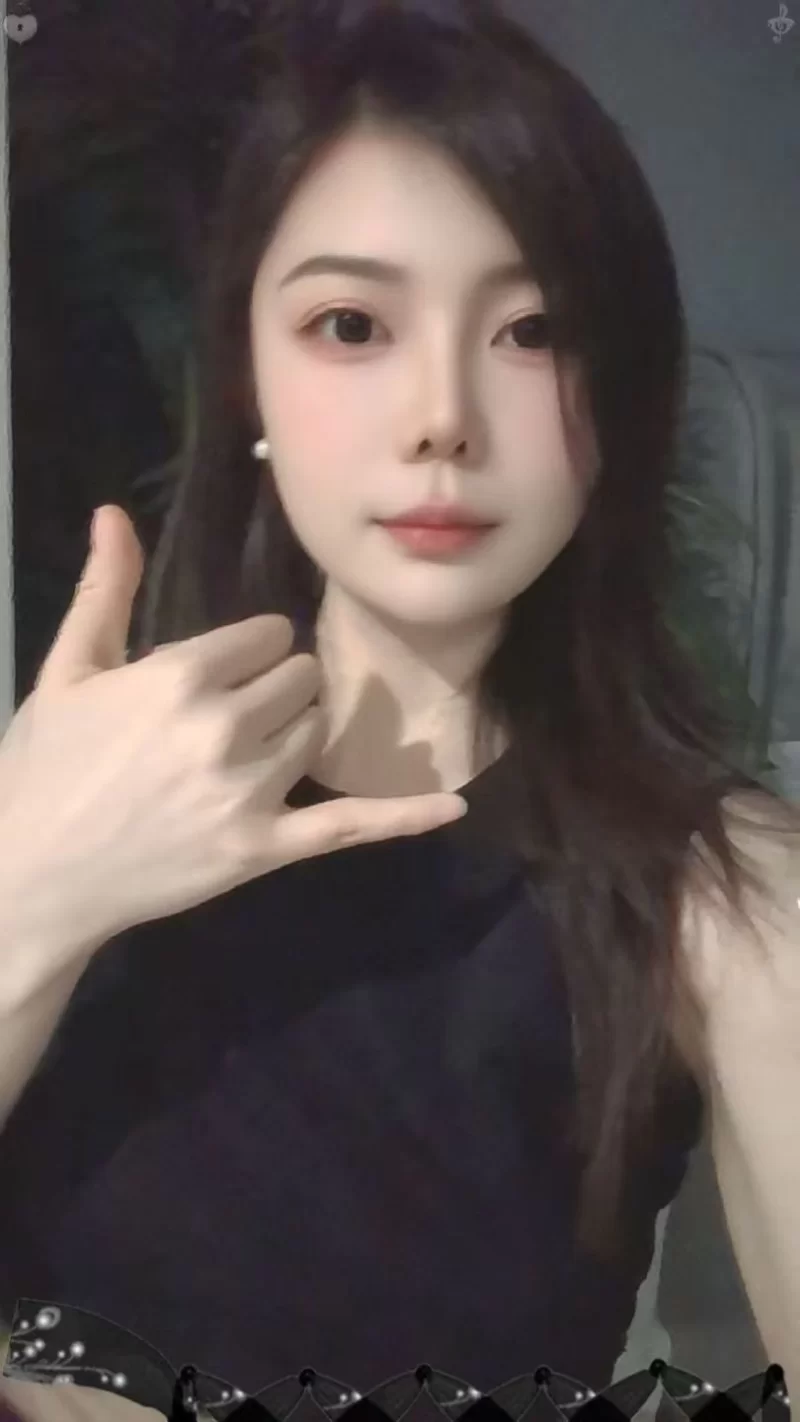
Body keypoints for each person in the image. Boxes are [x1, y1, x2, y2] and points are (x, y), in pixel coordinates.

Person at [0, 0, 798, 1412]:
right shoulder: (74, 780)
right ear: (247, 377)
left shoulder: (718, 895)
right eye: (352, 323)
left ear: (620, 401)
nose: (442, 416)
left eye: (535, 328)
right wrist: (33, 892)